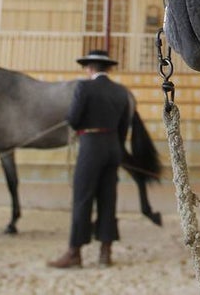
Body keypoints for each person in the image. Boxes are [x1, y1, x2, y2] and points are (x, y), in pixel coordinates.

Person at [48, 49, 132, 269]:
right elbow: (124, 127)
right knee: (108, 198)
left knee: (83, 197)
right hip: (113, 146)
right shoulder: (121, 92)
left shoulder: (84, 87)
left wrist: (73, 121)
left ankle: (75, 253)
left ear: (91, 68)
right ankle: (105, 253)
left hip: (91, 146)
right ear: (108, 68)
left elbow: (74, 120)